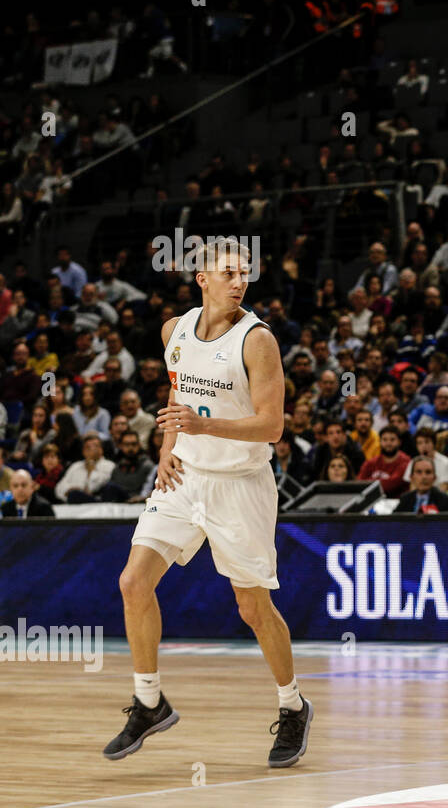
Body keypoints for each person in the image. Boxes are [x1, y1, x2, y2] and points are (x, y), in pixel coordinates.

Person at [105, 238, 312, 769]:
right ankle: (149, 701)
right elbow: (176, 398)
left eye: (244, 273)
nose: (238, 281)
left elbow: (272, 425)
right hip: (185, 478)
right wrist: (167, 452)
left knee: (252, 607)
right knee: (133, 582)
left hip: (240, 485)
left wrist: (202, 425)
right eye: (228, 273)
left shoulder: (257, 339)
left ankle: (293, 706)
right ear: (202, 278)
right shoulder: (173, 330)